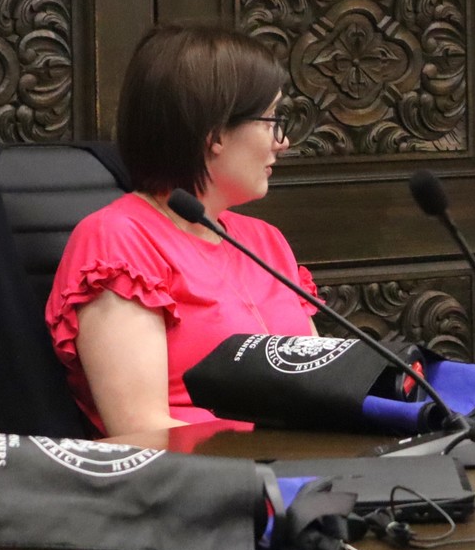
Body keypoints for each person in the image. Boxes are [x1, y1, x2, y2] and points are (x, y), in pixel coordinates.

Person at [46, 25, 318, 437]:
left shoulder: (266, 241)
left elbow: (328, 387)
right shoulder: (118, 241)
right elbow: (142, 432)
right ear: (214, 134)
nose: (283, 141)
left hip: (314, 475)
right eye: (271, 121)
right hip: (208, 489)